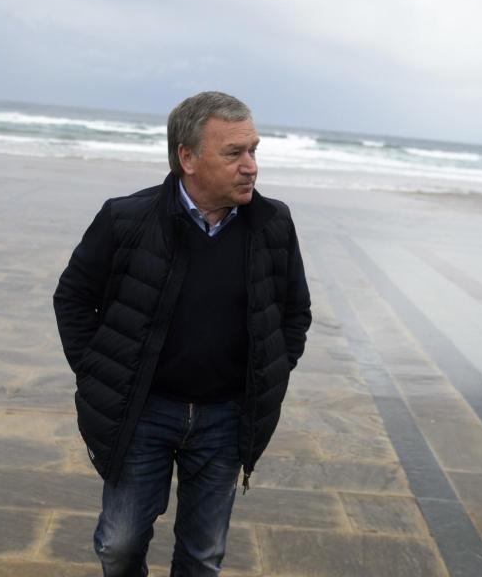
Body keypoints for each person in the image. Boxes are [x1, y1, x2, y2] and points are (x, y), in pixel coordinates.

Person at [53, 91, 311, 576]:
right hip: (144, 413)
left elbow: (295, 313)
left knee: (203, 555)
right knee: (119, 545)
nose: (251, 166)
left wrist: (268, 373)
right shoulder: (125, 218)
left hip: (225, 419)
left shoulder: (273, 223)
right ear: (187, 158)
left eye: (254, 150)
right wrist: (98, 372)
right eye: (234, 153)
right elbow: (72, 298)